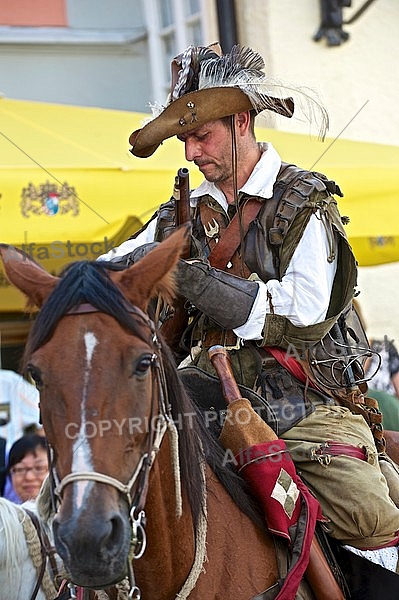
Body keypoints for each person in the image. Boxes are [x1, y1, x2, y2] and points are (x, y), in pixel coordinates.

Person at [99, 43, 399, 570]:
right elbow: (112, 265)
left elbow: (301, 314)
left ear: (241, 123)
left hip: (303, 407)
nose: (190, 153)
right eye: (184, 140)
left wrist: (187, 275)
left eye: (200, 136)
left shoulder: (302, 199)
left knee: (368, 516)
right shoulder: (181, 214)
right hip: (204, 398)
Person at [0, 433, 48, 503]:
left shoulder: (67, 512)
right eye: (20, 469)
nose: (29, 477)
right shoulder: (5, 513)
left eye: (39, 468)